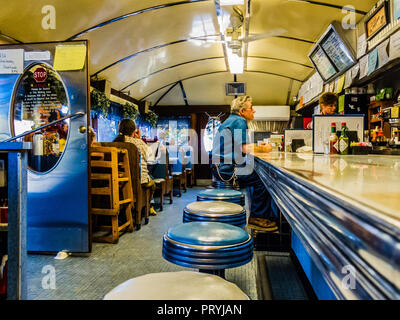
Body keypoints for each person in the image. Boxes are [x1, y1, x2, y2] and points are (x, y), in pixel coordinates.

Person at [211, 95, 278, 232]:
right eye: (251, 108)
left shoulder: (232, 120)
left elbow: (242, 146)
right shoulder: (239, 121)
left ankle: (258, 214)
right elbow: (244, 148)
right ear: (242, 111)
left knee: (257, 175)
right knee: (262, 179)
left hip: (220, 168)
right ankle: (257, 218)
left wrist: (258, 147)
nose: (254, 111)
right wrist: (263, 148)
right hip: (226, 170)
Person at [114, 119, 157, 216]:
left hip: (119, 179)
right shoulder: (139, 142)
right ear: (134, 130)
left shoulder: (114, 142)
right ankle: (147, 206)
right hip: (138, 180)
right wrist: (139, 138)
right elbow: (151, 158)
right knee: (152, 183)